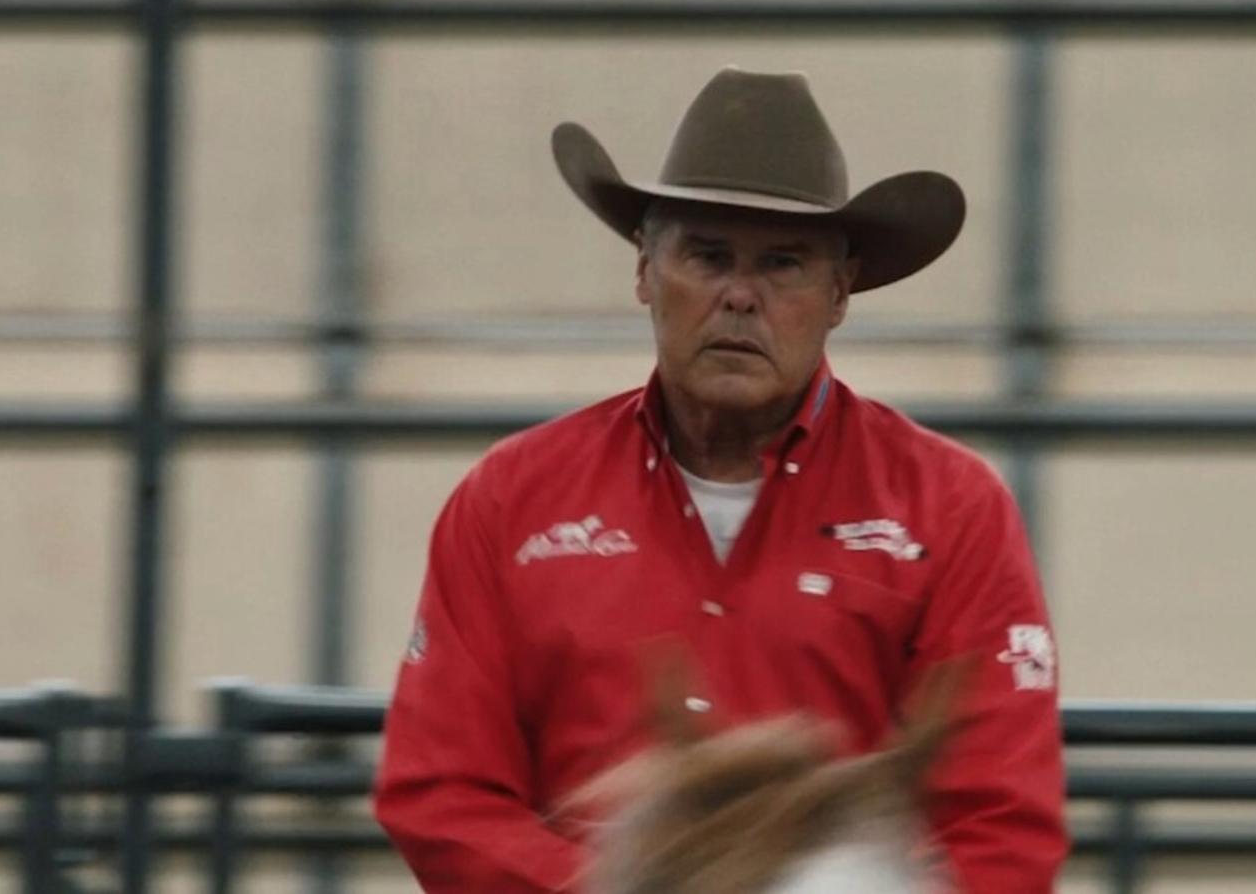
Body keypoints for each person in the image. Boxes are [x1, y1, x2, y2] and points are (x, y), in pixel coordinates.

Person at [374, 67, 1067, 893]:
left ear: (839, 291)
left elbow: (1001, 829)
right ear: (644, 270)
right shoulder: (509, 501)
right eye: (707, 256)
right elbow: (440, 791)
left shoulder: (952, 510)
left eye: (783, 264)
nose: (741, 296)